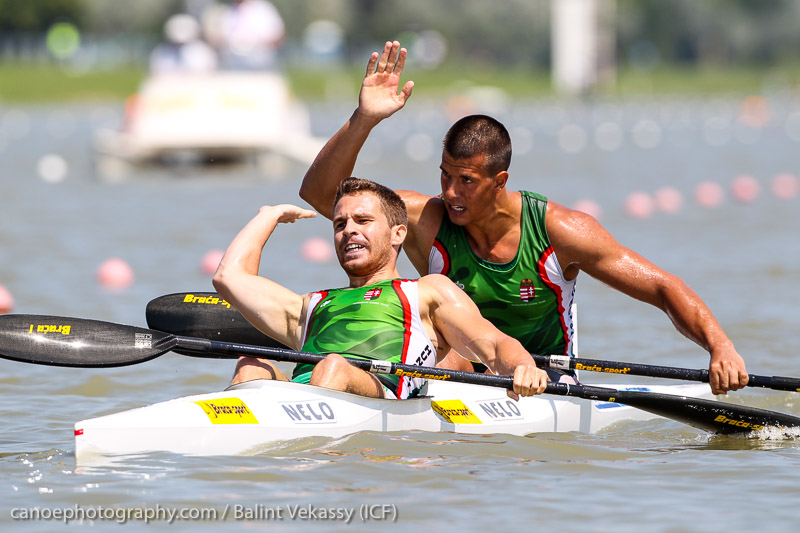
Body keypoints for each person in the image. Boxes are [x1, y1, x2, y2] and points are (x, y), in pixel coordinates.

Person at [298, 41, 749, 395]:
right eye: (445, 176)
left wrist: (719, 346)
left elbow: (662, 287)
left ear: (500, 181)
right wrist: (363, 119)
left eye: (467, 181)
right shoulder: (427, 218)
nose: (450, 193)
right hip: (458, 370)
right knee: (448, 352)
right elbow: (322, 196)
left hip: (541, 377)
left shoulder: (561, 231)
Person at [213, 177, 549, 400]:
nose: (348, 231)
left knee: (332, 365)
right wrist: (268, 216)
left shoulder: (427, 292)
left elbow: (492, 343)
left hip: (379, 397)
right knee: (252, 363)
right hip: (305, 399)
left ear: (398, 234)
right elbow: (228, 277)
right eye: (340, 224)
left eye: (363, 221)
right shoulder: (310, 305)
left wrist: (523, 367)